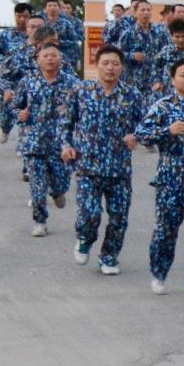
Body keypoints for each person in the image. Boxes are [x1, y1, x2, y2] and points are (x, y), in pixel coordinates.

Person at [64, 45, 147, 276]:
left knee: (119, 217)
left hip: (119, 168)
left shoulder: (132, 95)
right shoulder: (81, 90)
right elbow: (66, 122)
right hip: (88, 166)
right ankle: (85, 238)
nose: (110, 68)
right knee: (90, 214)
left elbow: (144, 124)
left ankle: (109, 257)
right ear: (97, 65)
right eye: (105, 63)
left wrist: (137, 137)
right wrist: (66, 145)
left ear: (122, 67)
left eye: (115, 63)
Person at [136, 54, 184, 296]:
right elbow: (142, 135)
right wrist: (167, 131)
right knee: (166, 230)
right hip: (170, 179)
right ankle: (159, 271)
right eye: (183, 75)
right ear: (173, 79)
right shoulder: (163, 106)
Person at [17, 38, 80, 236]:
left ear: (60, 58)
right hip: (34, 142)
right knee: (37, 185)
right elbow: (15, 106)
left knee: (60, 181)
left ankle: (58, 192)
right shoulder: (28, 81)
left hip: (61, 143)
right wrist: (20, 114)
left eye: (54, 55)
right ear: (38, 59)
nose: (50, 59)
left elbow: (83, 108)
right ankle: (40, 221)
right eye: (45, 56)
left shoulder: (72, 82)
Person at [0, 4, 35, 139]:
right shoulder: (5, 35)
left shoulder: (35, 36)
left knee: (28, 110)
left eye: (25, 16)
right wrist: (6, 61)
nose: (22, 19)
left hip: (29, 81)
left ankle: (24, 142)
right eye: (19, 16)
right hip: (10, 80)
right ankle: (5, 128)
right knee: (6, 112)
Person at [154, 17, 184, 98]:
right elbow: (156, 67)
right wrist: (158, 81)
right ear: (171, 36)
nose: (180, 40)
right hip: (170, 92)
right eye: (177, 37)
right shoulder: (166, 52)